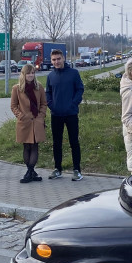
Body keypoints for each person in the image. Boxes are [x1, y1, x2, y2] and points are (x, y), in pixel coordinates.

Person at [45, 48, 84, 181]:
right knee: (56, 143)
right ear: (51, 61)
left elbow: (80, 89)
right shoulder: (50, 76)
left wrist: (73, 104)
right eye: (54, 60)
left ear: (63, 59)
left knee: (74, 142)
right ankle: (57, 169)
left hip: (71, 114)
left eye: (58, 59)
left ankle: (77, 170)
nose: (56, 62)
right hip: (56, 114)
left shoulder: (74, 73)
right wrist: (51, 105)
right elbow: (48, 92)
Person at [10, 63, 47, 183]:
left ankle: (29, 172)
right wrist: (21, 116)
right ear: (23, 74)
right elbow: (13, 106)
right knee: (26, 146)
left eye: (33, 73)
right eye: (28, 73)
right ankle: (31, 172)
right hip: (24, 122)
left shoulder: (39, 87)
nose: (31, 75)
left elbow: (43, 104)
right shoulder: (17, 88)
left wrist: (41, 116)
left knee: (35, 146)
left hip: (36, 121)